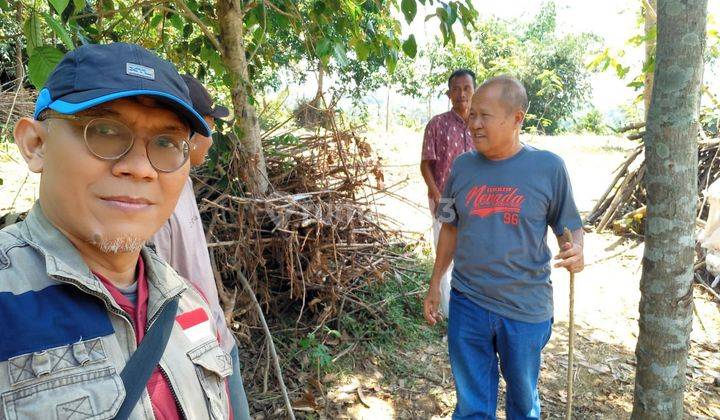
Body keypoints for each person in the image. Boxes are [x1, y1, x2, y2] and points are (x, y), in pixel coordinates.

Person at [1, 42, 235, 419]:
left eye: (165, 142)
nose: (142, 168)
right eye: (105, 132)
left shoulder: (190, 306)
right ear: (36, 144)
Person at [423, 75, 584, 419]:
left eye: (484, 116)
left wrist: (577, 249)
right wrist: (436, 282)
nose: (474, 123)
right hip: (468, 304)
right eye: (472, 116)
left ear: (516, 118)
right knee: (471, 406)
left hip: (525, 310)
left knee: (523, 405)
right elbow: (450, 227)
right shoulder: (462, 167)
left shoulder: (549, 168)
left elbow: (568, 224)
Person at [151, 74, 251, 420]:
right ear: (191, 133)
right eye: (210, 126)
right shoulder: (157, 199)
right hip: (195, 354)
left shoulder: (183, 182)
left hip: (215, 340)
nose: (212, 138)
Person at [420, 69, 476, 317]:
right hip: (445, 201)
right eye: (456, 89)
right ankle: (450, 316)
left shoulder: (482, 124)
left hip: (478, 204)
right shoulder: (437, 124)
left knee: (473, 257)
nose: (461, 94)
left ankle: (471, 313)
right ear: (448, 93)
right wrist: (438, 195)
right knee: (444, 260)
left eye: (466, 88)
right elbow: (425, 164)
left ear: (475, 90)